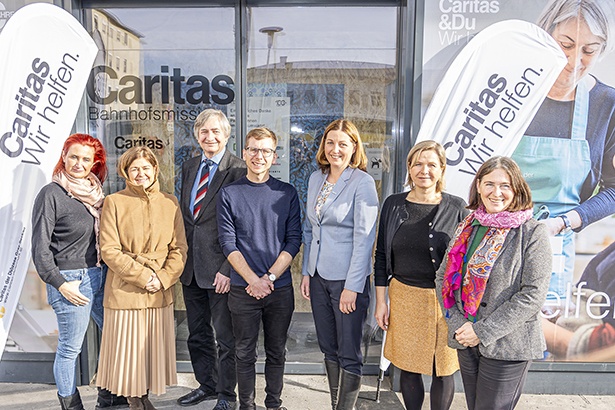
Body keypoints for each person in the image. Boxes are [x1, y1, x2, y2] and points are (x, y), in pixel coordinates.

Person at [511, 0, 615, 301]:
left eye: (588, 50)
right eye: (565, 44)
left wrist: (564, 221)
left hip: (553, 247)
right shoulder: (512, 91)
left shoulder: (605, 105)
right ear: (546, 35)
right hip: (490, 243)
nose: (573, 60)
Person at [435, 156, 552, 410]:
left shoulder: (532, 232)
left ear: (517, 189)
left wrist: (481, 332)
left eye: (505, 186)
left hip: (507, 345)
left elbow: (532, 295)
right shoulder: (467, 226)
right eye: (489, 184)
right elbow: (442, 279)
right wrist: (459, 325)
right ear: (478, 186)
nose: (496, 192)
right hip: (465, 339)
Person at [31, 134, 124, 410]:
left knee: (112, 336)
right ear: (64, 156)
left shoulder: (96, 192)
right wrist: (60, 284)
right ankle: (71, 405)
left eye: (86, 159)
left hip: (99, 275)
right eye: (73, 156)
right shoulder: (52, 194)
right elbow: (40, 250)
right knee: (71, 349)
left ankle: (109, 396)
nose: (78, 164)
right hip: (71, 280)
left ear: (95, 163)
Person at [374, 140, 468, 410]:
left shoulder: (457, 208)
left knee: (444, 367)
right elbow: (381, 256)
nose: (424, 170)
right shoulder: (393, 204)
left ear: (441, 170)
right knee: (409, 364)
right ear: (409, 168)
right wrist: (382, 302)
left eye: (431, 164)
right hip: (404, 297)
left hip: (445, 302)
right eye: (418, 164)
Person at [217, 127, 302, 410]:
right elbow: (228, 243)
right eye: (253, 149)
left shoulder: (286, 193)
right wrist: (253, 280)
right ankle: (247, 406)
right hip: (243, 290)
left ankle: (274, 404)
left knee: (277, 352)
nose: (258, 155)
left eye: (265, 150)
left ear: (274, 156)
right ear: (244, 153)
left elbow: (293, 241)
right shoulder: (230, 193)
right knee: (244, 353)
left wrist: (269, 278)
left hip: (280, 289)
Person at [97, 146, 188, 410]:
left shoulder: (170, 202)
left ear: (155, 170)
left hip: (159, 291)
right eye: (134, 169)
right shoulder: (114, 201)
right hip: (126, 291)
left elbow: (179, 248)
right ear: (125, 171)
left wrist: (161, 278)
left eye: (146, 168)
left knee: (149, 355)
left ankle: (143, 397)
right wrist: (143, 276)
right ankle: (135, 401)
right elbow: (109, 250)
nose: (141, 174)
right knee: (128, 356)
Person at [300, 119, 379, 410]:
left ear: (354, 148)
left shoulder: (362, 182)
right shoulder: (315, 179)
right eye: (330, 142)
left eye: (343, 144)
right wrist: (308, 272)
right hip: (319, 277)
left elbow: (364, 239)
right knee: (328, 347)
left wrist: (353, 287)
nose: (335, 149)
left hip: (348, 280)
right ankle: (337, 405)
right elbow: (310, 230)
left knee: (349, 351)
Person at [178, 109, 246, 410]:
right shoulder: (190, 166)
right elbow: (188, 217)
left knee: (226, 338)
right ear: (196, 134)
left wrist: (228, 269)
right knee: (197, 333)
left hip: (221, 269)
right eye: (204, 131)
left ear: (227, 134)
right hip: (191, 267)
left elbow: (243, 225)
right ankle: (206, 385)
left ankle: (226, 395)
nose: (210, 137)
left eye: (216, 131)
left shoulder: (239, 169)